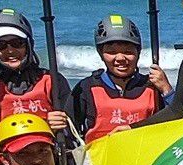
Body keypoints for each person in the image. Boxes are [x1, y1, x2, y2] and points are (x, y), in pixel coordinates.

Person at [70, 15, 170, 143]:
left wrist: (167, 89)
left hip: (144, 158)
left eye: (128, 52)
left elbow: (178, 119)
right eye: (112, 52)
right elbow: (69, 131)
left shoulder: (152, 87)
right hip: (101, 160)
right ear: (101, 54)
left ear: (138, 53)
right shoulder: (87, 88)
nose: (121, 58)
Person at [0, 6, 74, 133]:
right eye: (0, 45)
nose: (10, 50)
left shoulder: (53, 81)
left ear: (29, 45)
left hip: (47, 151)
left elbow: (73, 128)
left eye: (17, 43)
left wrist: (61, 123)